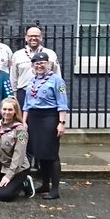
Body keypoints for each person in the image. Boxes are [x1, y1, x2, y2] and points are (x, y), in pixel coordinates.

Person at [23, 51, 69, 200]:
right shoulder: (31, 81)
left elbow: (62, 103)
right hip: (34, 118)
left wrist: (61, 123)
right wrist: (24, 121)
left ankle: (55, 189)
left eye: (42, 63)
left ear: (48, 64)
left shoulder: (57, 81)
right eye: (36, 64)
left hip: (49, 117)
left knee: (51, 154)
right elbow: (26, 104)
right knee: (40, 153)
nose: (39, 66)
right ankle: (44, 184)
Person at [0, 97, 34, 201]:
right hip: (3, 164)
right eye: (4, 109)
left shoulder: (20, 130)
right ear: (0, 110)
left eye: (10, 110)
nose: (7, 112)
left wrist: (8, 176)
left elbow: (18, 155)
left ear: (15, 111)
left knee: (4, 196)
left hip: (18, 168)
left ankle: (24, 182)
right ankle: (2, 184)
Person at [9, 25, 59, 107]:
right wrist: (14, 96)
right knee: (24, 119)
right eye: (30, 36)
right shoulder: (17, 55)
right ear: (26, 38)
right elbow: (13, 78)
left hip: (45, 92)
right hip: (23, 92)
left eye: (36, 36)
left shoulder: (51, 54)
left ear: (41, 38)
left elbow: (57, 75)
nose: (33, 38)